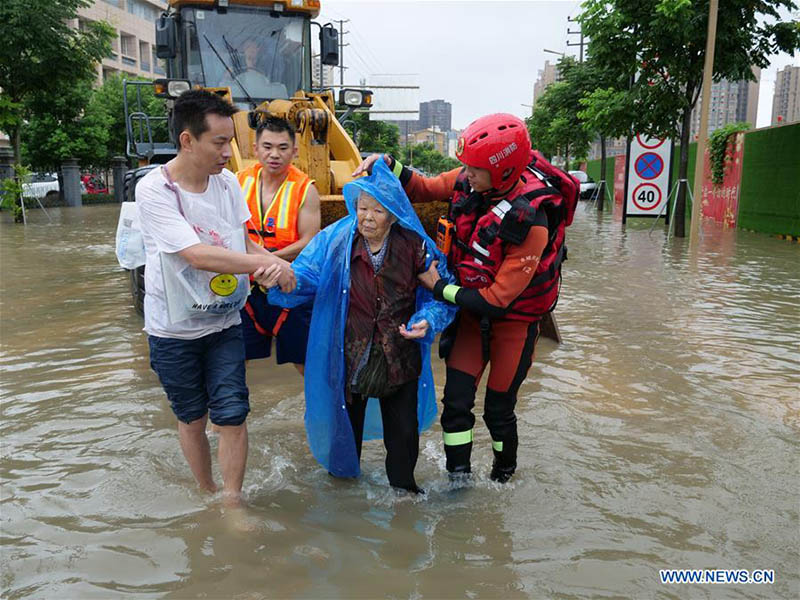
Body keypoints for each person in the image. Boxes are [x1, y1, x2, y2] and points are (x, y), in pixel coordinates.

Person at [354, 113, 576, 484]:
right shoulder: (468, 182)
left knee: (499, 410)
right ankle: (459, 480)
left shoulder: (532, 220)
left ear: (503, 171)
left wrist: (437, 287)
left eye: (475, 169)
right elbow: (422, 187)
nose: (466, 174)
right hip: (470, 320)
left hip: (512, 324)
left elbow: (495, 299)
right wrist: (390, 164)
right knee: (455, 405)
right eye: (466, 167)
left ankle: (503, 476)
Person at [136, 89, 295, 506]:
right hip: (173, 330)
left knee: (233, 413)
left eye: (232, 142)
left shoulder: (226, 183)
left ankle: (231, 502)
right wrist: (263, 268)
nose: (230, 152)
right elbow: (196, 254)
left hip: (224, 321)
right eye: (220, 143)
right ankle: (205, 489)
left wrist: (280, 266)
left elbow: (244, 242)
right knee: (192, 418)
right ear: (188, 141)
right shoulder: (155, 190)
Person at [265, 160, 457, 494]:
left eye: (377, 211)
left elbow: (442, 294)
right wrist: (285, 280)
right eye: (362, 207)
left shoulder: (417, 246)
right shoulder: (337, 239)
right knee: (344, 437)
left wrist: (427, 320)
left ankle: (404, 501)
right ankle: (345, 501)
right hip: (350, 353)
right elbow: (306, 275)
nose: (367, 217)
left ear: (394, 214)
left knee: (403, 440)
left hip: (399, 354)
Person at [235, 117, 320, 374]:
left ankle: (322, 413)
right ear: (255, 148)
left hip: (289, 287)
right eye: (268, 146)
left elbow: (309, 241)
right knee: (233, 363)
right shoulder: (237, 182)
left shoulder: (306, 189)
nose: (274, 154)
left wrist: (272, 260)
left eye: (283, 148)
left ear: (294, 151)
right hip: (245, 289)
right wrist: (260, 262)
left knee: (306, 364)